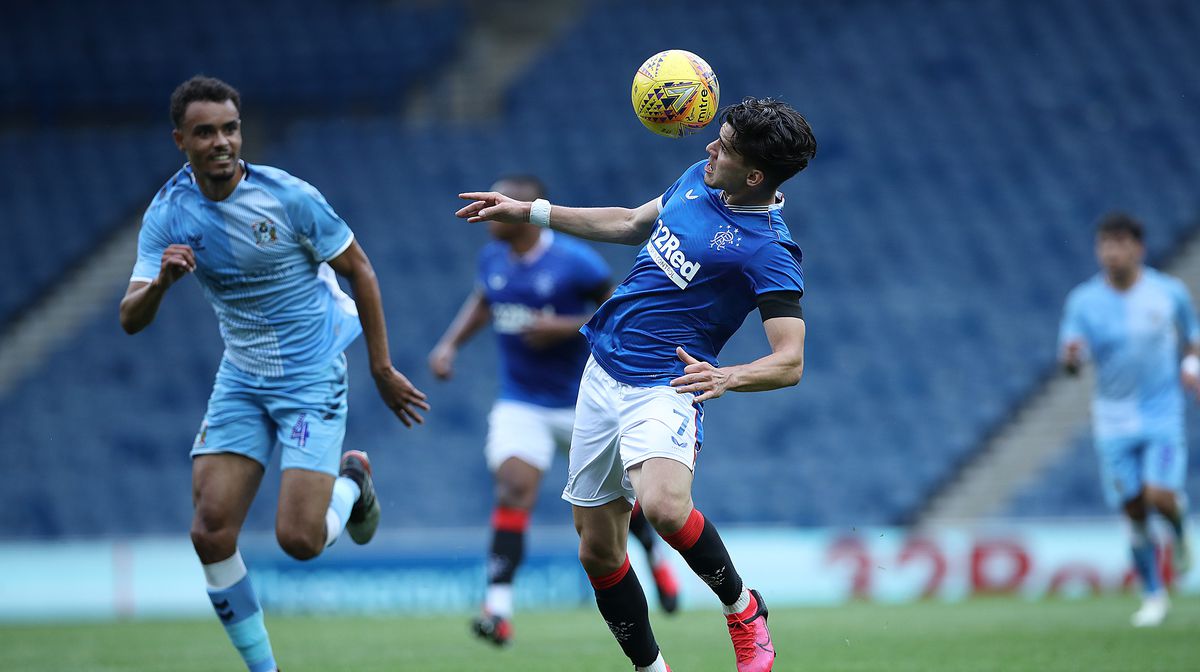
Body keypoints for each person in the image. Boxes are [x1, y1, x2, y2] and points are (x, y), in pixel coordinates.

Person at [457, 97, 816, 672]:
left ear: (755, 175)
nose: (708, 147)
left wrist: (728, 376)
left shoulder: (770, 251)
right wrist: (531, 212)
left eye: (722, 146)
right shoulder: (698, 182)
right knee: (598, 551)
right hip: (601, 374)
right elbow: (627, 222)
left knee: (664, 507)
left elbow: (790, 360)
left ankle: (743, 609)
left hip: (666, 383)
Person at [119, 75, 429, 672]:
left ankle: (351, 484)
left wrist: (381, 367)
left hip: (311, 377)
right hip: (241, 378)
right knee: (210, 532)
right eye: (204, 132)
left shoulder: (288, 199)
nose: (220, 142)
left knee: (300, 540)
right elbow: (130, 319)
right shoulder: (169, 212)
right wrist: (160, 282)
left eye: (229, 129)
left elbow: (361, 271)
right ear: (180, 139)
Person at [430, 175, 680, 647]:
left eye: (496, 204)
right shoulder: (492, 259)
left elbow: (617, 310)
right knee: (513, 488)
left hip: (586, 402)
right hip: (521, 401)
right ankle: (498, 610)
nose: (487, 214)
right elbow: (485, 299)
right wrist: (449, 345)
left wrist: (564, 327)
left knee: (625, 502)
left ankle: (658, 562)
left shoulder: (575, 260)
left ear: (520, 210)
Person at [1059, 212, 1197, 628]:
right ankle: (1153, 595)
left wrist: (1192, 365)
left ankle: (1176, 527)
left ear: (1139, 248)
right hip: (1113, 421)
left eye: (1119, 244)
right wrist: (1071, 361)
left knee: (1159, 496)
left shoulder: (1168, 293)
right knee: (1133, 510)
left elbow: (1193, 336)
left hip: (1162, 414)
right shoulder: (1083, 302)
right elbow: (1073, 360)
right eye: (1104, 245)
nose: (1111, 253)